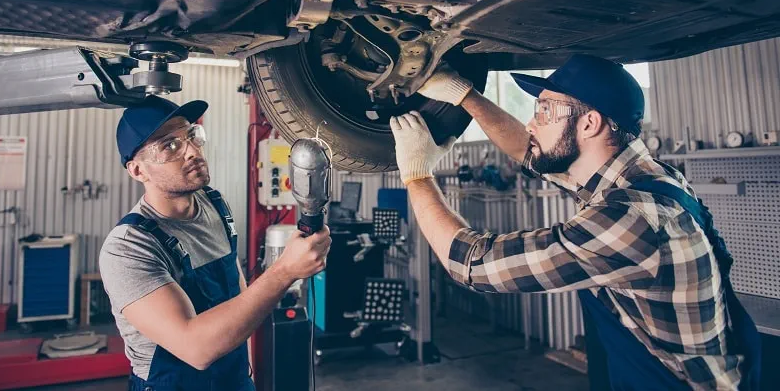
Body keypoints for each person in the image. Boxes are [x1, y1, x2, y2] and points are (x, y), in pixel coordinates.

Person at [390, 54, 760, 390]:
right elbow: (526, 149)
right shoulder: (644, 177)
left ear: (589, 124)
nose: (533, 123)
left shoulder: (632, 219)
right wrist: (464, 95)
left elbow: (472, 264)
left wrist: (418, 174)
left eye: (546, 111)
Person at [99, 95, 331, 391]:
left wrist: (246, 373)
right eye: (170, 145)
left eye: (192, 136)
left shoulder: (213, 204)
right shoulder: (129, 248)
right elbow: (196, 348)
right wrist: (285, 270)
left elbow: (237, 286)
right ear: (137, 170)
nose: (192, 151)